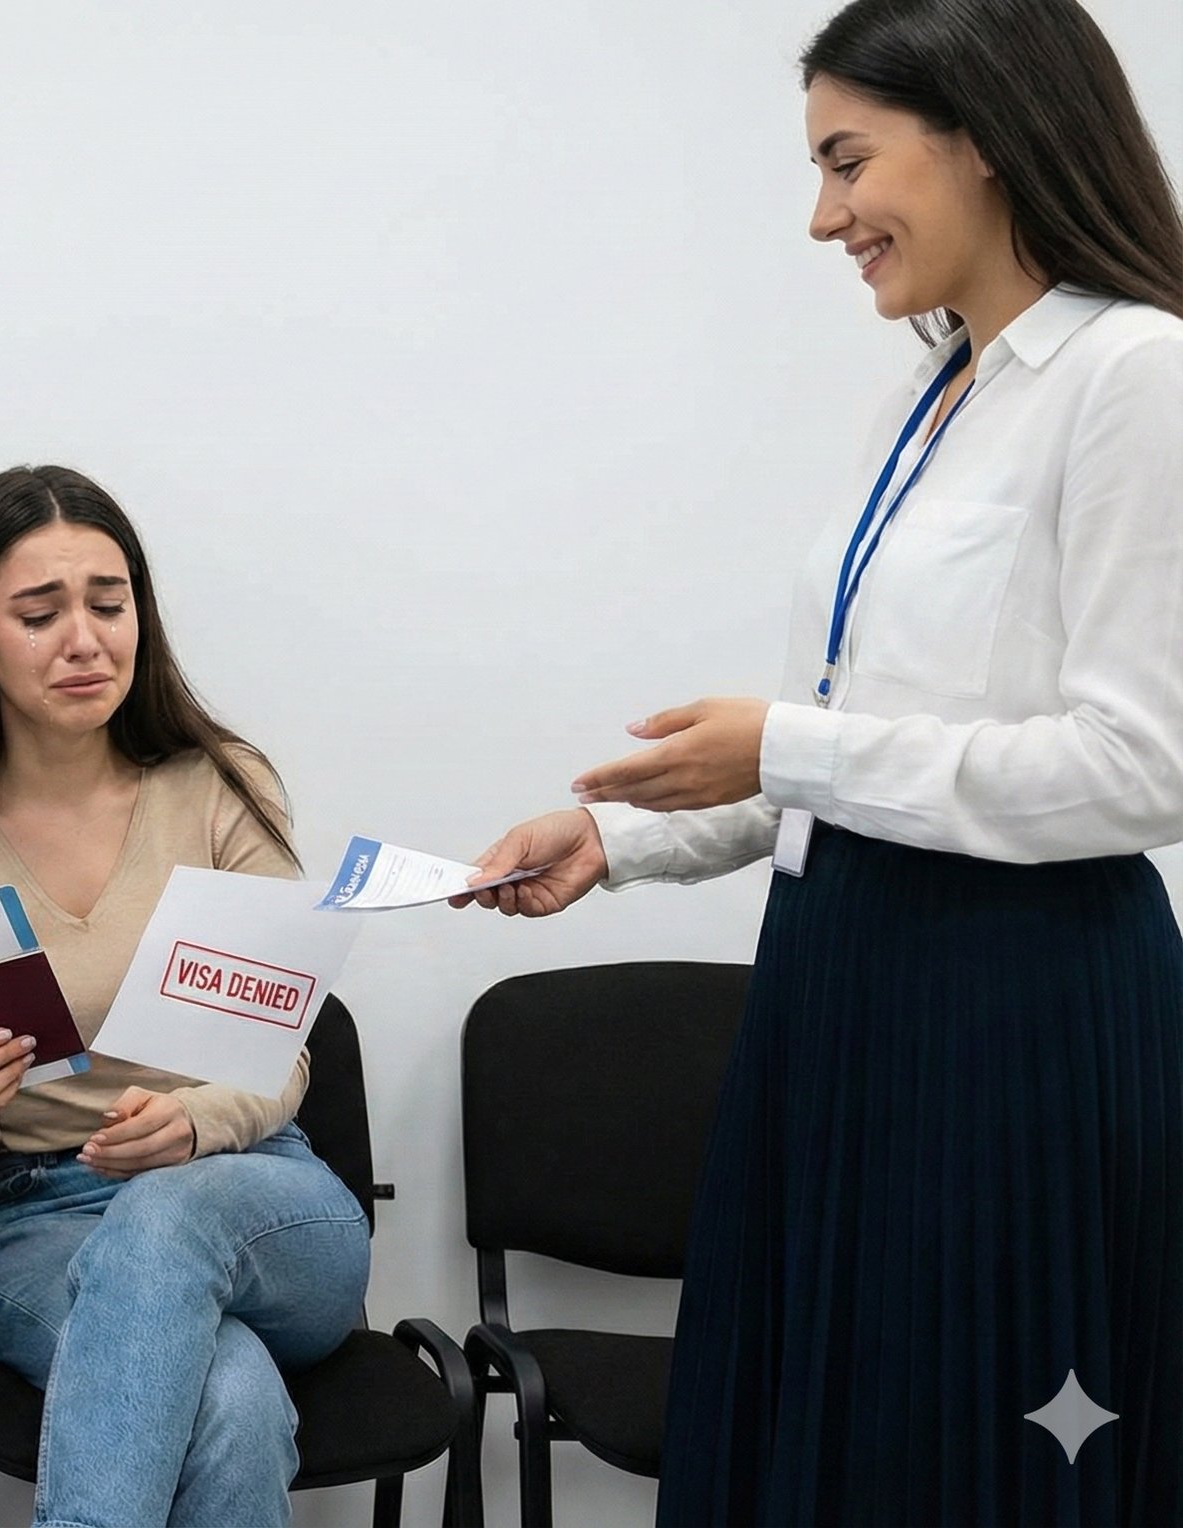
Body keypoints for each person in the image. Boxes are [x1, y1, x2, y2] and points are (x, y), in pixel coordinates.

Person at [460, 1, 1183, 1521]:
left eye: (848, 162)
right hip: (840, 983)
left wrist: (786, 742)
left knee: (971, 1450)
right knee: (830, 1434)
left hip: (1011, 1014)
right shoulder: (929, 391)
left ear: (986, 138)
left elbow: (1142, 767)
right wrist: (624, 843)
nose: (822, 217)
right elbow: (856, 744)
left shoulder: (1134, 374)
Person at [0, 465, 369, 1528]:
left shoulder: (220, 786)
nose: (84, 640)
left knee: (169, 1215)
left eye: (109, 602)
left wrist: (194, 1123)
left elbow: (280, 1052)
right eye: (39, 613)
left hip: (258, 1191)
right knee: (229, 1399)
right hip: (44, 1213)